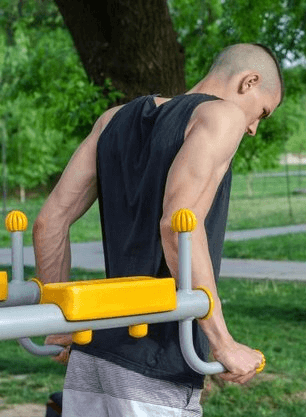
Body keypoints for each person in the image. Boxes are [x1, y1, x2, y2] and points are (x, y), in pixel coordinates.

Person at [32, 43, 284, 416]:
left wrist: (59, 325)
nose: (252, 128)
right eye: (261, 112)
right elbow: (178, 223)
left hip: (93, 355)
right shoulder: (222, 116)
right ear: (249, 82)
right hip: (156, 364)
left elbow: (49, 221)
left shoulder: (112, 119)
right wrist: (223, 342)